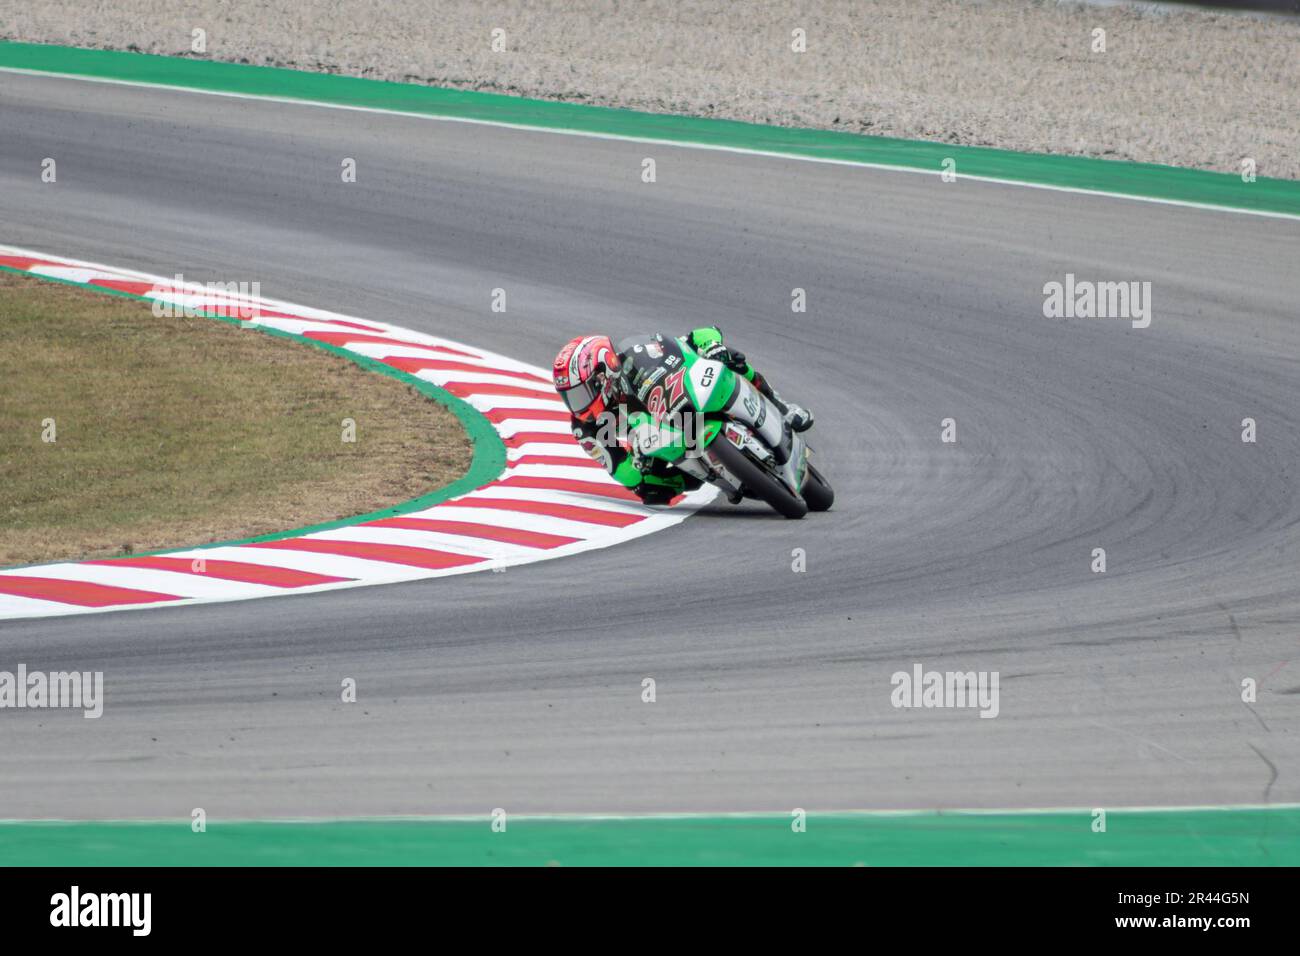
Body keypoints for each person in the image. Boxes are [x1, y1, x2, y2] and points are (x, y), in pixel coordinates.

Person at [552, 327, 812, 505]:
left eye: (580, 394)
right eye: (569, 397)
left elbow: (699, 335)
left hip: (681, 402)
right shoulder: (586, 428)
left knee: (732, 358)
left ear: (602, 373)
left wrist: (711, 346)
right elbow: (622, 471)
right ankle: (715, 477)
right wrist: (637, 459)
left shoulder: (638, 354)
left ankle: (783, 407)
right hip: (652, 444)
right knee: (650, 491)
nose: (578, 406)